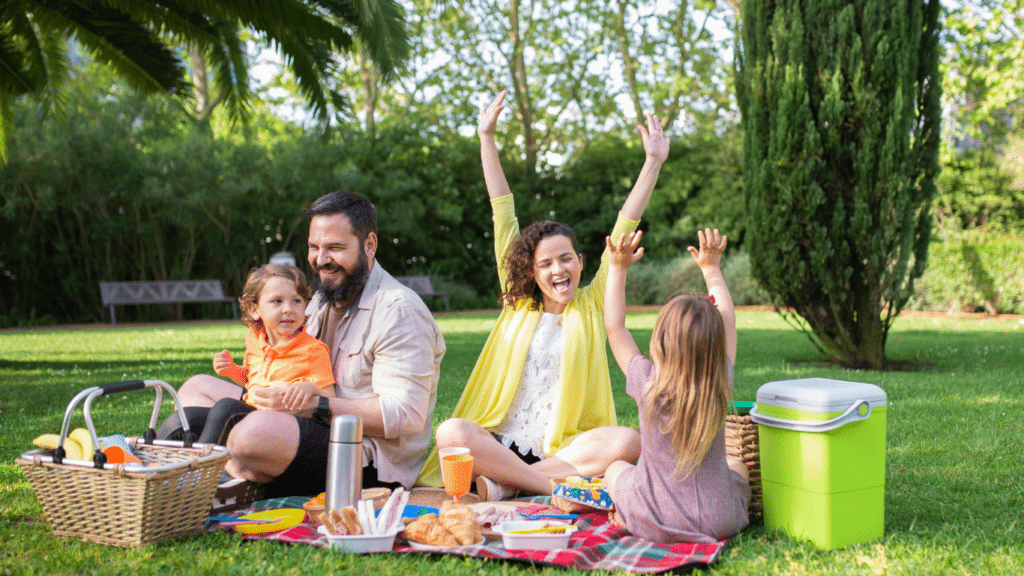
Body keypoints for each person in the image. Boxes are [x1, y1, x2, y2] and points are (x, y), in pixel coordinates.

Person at [417, 90, 669, 500]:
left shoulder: (592, 304)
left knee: (627, 441)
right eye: (546, 264)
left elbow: (625, 225)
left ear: (582, 262)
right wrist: (486, 138)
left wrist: (652, 163)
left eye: (566, 259)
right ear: (531, 272)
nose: (558, 270)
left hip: (563, 451)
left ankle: (504, 486)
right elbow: (503, 211)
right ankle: (545, 487)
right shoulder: (517, 301)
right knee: (451, 432)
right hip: (499, 441)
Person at [159, 191, 446, 498]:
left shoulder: (398, 310)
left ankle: (214, 477)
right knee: (195, 389)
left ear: (369, 245)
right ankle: (170, 471)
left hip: (363, 458)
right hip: (300, 417)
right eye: (314, 247)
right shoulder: (323, 296)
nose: (321, 260)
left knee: (248, 435)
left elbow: (407, 416)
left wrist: (317, 405)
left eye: (334, 248)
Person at [602, 228, 750, 544]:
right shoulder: (719, 378)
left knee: (615, 469)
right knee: (737, 465)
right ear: (716, 345)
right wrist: (711, 269)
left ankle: (625, 513)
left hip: (652, 519)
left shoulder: (648, 381)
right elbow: (728, 321)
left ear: (661, 340)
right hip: (719, 520)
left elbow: (615, 329)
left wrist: (617, 269)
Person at [188, 263, 336, 448]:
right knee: (190, 417)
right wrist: (231, 370)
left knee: (226, 408)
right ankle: (157, 465)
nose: (289, 309)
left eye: (296, 300)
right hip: (253, 413)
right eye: (277, 301)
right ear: (254, 309)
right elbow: (250, 380)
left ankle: (200, 468)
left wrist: (309, 388)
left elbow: (330, 396)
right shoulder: (254, 339)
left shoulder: (313, 350)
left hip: (282, 426)